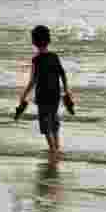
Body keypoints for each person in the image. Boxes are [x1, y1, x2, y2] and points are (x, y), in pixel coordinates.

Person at [15, 26, 75, 156]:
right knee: (53, 120)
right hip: (55, 94)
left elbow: (33, 81)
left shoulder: (36, 59)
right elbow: (62, 74)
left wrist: (24, 95)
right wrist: (66, 90)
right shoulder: (54, 56)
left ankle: (53, 150)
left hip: (43, 96)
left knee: (45, 123)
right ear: (48, 40)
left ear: (34, 42)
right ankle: (57, 146)